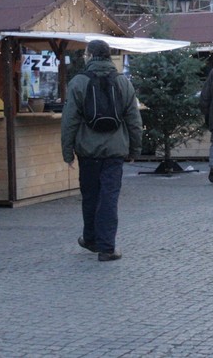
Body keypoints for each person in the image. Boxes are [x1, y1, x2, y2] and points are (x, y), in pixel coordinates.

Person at [61, 40, 143, 262]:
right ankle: (107, 248)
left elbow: (69, 121)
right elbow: (134, 119)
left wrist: (67, 152)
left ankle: (91, 239)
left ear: (89, 55)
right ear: (108, 56)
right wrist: (135, 148)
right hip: (115, 152)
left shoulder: (78, 82)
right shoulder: (123, 83)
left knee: (90, 196)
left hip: (87, 151)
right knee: (108, 198)